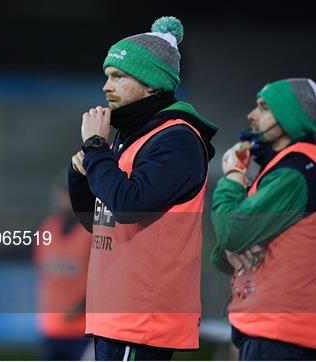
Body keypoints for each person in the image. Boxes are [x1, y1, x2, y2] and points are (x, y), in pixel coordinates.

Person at [68, 16, 218, 360]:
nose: (106, 86)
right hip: (116, 314)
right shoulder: (132, 137)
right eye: (106, 76)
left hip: (142, 319)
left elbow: (130, 206)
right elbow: (97, 220)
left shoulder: (177, 140)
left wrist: (95, 148)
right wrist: (80, 170)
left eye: (118, 76)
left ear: (151, 84)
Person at [210, 78, 316, 360]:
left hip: (280, 335)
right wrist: (231, 247)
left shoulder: (295, 172)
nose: (251, 115)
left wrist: (233, 177)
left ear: (290, 118)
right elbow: (223, 253)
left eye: (264, 108)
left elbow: (231, 231)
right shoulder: (285, 167)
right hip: (275, 331)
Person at [34, 172, 92, 360]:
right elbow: (14, 250)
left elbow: (106, 280)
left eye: (67, 194)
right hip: (51, 328)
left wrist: (81, 306)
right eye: (60, 194)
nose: (63, 200)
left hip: (81, 330)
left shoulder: (91, 231)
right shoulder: (48, 227)